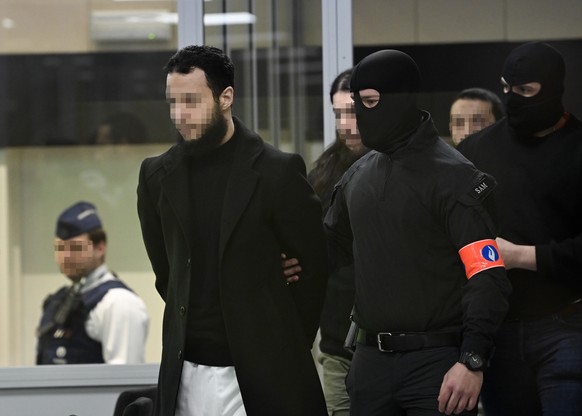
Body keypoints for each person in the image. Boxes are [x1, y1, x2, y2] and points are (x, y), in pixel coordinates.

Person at [136, 45, 328, 416]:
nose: (179, 114)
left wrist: (280, 339)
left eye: (191, 101)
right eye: (172, 102)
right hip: (186, 372)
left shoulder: (277, 172)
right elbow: (167, 274)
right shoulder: (156, 176)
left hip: (264, 373)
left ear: (226, 98)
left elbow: (314, 270)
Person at [323, 49, 511, 415]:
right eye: (355, 103)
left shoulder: (455, 178)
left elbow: (487, 276)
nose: (360, 115)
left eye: (371, 102)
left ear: (401, 99)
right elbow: (327, 252)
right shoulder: (356, 177)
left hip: (437, 368)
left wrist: (472, 360)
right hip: (369, 365)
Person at [457, 41, 582, 416]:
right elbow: (456, 231)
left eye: (526, 91)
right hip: (500, 330)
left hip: (567, 325)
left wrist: (521, 256)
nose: (513, 100)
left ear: (554, 87)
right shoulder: (477, 151)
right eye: (507, 89)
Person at [308, 68, 369, 415]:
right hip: (336, 339)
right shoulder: (323, 174)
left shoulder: (400, 166)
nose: (347, 124)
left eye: (355, 112)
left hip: (396, 341)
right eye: (339, 113)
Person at [36, 201, 149, 365]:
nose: (65, 257)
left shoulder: (119, 304)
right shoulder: (58, 301)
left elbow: (124, 382)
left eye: (74, 248)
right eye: (60, 248)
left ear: (100, 248)